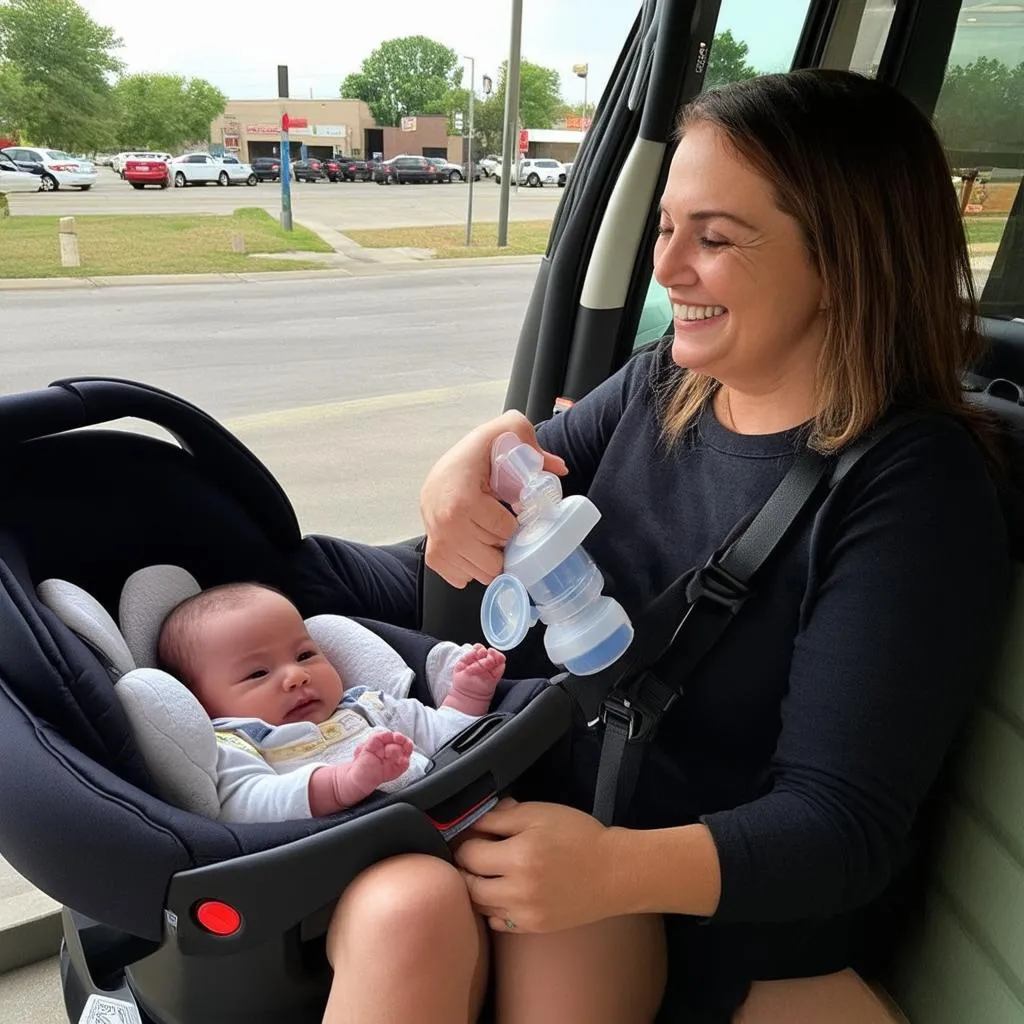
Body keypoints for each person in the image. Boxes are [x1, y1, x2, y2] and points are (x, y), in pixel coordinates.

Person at [319, 69, 1010, 1024]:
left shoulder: (910, 490)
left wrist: (611, 870)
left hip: (700, 898)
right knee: (397, 912)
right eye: (667, 228)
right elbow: (467, 539)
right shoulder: (662, 389)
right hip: (552, 823)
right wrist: (447, 479)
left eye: (715, 238)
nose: (668, 268)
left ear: (847, 257)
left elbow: (839, 826)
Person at [157, 582, 506, 821]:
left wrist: (467, 695)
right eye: (257, 674)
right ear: (200, 703)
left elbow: (446, 738)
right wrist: (340, 784)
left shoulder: (365, 707)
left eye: (305, 654)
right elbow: (249, 804)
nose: (296, 675)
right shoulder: (234, 746)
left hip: (449, 810)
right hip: (353, 849)